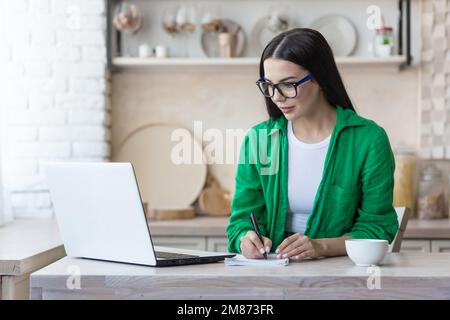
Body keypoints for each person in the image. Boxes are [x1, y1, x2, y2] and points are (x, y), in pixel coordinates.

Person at [226, 28, 399, 260]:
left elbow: (378, 228)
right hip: (274, 273)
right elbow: (240, 222)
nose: (277, 97)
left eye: (288, 84)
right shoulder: (259, 140)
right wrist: (244, 239)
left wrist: (321, 247)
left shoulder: (368, 140)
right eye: (268, 85)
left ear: (319, 79)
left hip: (341, 274)